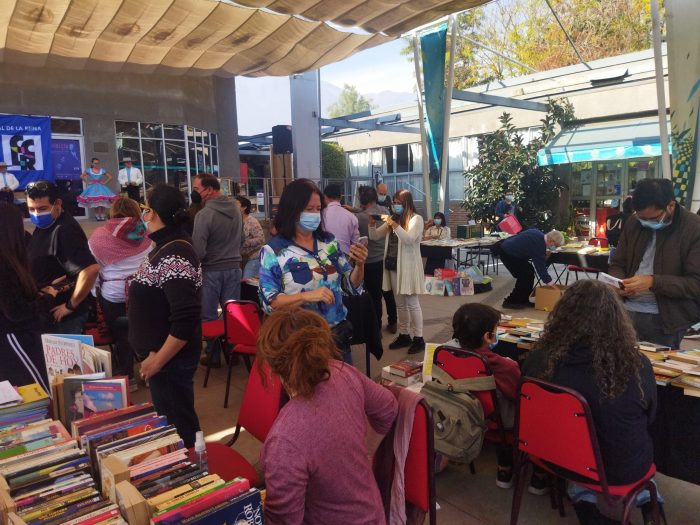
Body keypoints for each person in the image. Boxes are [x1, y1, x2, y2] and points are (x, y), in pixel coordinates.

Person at [522, 280, 659, 525]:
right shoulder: (634, 365)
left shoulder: (539, 358)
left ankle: (585, 498)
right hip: (615, 469)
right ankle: (650, 505)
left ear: (561, 314)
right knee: (638, 442)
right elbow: (650, 417)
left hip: (550, 455)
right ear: (616, 319)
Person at [259, 307, 398, 524]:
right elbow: (387, 407)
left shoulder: (285, 439)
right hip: (372, 514)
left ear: (272, 366)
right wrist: (367, 451)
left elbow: (284, 521)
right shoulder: (343, 373)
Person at [258, 179, 368, 364]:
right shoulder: (274, 251)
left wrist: (360, 265)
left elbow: (350, 285)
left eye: (318, 209)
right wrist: (307, 296)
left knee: (343, 390)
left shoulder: (329, 243)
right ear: (293, 210)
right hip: (301, 343)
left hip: (337, 338)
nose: (315, 215)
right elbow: (270, 303)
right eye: (309, 209)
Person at [128, 184, 202, 448]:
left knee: (179, 427)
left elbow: (186, 317)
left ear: (153, 213)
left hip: (170, 362)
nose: (143, 215)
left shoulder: (175, 253)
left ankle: (192, 475)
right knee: (173, 420)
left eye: (145, 209)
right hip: (164, 360)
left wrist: (158, 360)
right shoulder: (166, 246)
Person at [609, 178, 700, 349]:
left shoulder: (693, 228)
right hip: (625, 312)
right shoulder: (634, 223)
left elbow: (695, 283)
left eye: (653, 218)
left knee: (654, 371)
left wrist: (653, 282)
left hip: (666, 319)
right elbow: (618, 263)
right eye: (640, 217)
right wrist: (617, 282)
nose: (645, 222)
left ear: (670, 206)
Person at [444, 303, 521, 489]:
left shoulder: (446, 354)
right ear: (488, 336)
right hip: (498, 420)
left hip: (463, 414)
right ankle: (518, 468)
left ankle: (504, 466)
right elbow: (518, 395)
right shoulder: (504, 367)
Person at [88, 198, 152, 391]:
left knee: (121, 336)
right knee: (147, 333)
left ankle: (127, 378)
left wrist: (94, 292)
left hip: (113, 294)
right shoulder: (147, 232)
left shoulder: (98, 236)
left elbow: (94, 268)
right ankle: (149, 374)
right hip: (143, 290)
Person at [26, 181, 100, 334]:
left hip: (64, 318)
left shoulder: (65, 231)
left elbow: (90, 270)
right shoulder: (46, 225)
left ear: (57, 203)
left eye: (42, 209)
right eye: (31, 209)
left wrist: (70, 305)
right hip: (48, 310)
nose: (36, 214)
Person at [0, 203, 56, 392]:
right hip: (14, 339)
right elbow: (16, 311)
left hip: (15, 337)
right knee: (41, 393)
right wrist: (47, 297)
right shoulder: (4, 265)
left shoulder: (9, 260)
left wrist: (37, 289)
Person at [191, 173, 243, 365]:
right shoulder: (237, 210)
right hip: (235, 268)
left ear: (209, 190)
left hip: (211, 270)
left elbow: (198, 250)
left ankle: (212, 356)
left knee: (209, 315)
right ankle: (234, 352)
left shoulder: (204, 214)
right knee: (232, 312)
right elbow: (243, 240)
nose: (194, 193)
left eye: (197, 189)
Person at [369, 189, 425, 354]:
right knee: (400, 304)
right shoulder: (394, 219)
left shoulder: (416, 219)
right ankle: (404, 334)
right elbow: (374, 236)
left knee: (412, 303)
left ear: (406, 203)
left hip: (408, 268)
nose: (395, 206)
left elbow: (408, 239)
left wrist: (394, 225)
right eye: (393, 203)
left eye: (398, 203)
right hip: (393, 267)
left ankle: (419, 338)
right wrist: (372, 223)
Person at [356, 187, 397, 333]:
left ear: (362, 199)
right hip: (385, 258)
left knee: (374, 296)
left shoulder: (360, 217)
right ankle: (393, 322)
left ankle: (376, 328)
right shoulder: (385, 211)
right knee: (387, 292)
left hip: (370, 261)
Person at [493, 229, 564, 309]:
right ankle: (511, 301)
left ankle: (523, 300)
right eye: (556, 245)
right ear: (551, 240)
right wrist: (553, 286)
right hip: (508, 253)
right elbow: (541, 270)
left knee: (529, 272)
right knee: (524, 275)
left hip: (508, 247)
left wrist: (545, 253)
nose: (554, 248)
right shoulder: (539, 245)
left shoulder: (537, 233)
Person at [322, 183, 360, 255]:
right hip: (345, 258)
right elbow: (356, 242)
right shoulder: (351, 217)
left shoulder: (321, 214)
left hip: (324, 256)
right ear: (341, 197)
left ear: (325, 197)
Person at [235, 196, 265, 279]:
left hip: (253, 257)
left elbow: (261, 239)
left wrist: (244, 242)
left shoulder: (252, 221)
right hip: (240, 259)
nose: (233, 206)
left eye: (236, 204)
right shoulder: (235, 221)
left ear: (244, 207)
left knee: (247, 282)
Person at [423, 211, 452, 275]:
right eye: (435, 218)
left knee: (440, 271)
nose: (436, 220)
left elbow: (447, 239)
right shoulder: (431, 228)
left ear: (442, 219)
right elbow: (425, 238)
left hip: (442, 251)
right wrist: (432, 237)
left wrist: (439, 238)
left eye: (438, 218)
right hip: (431, 252)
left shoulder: (447, 229)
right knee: (429, 270)